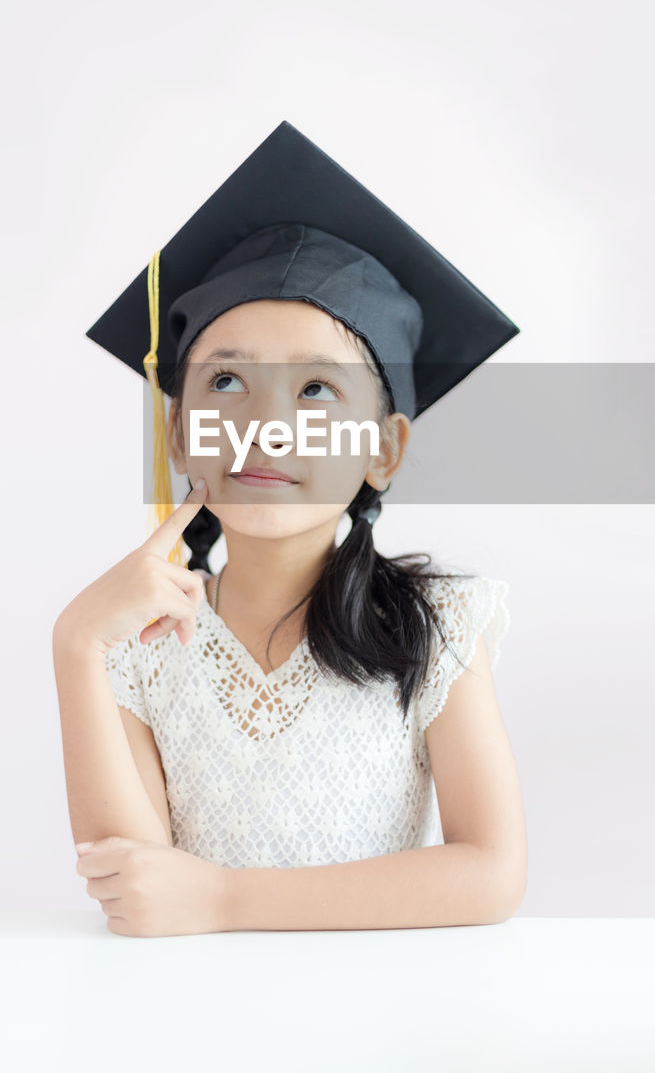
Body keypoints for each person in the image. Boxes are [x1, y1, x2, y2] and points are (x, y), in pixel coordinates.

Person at [53, 120, 527, 938]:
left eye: (316, 390)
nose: (266, 428)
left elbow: (489, 871)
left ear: (384, 449)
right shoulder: (140, 640)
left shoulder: (437, 626)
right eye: (228, 379)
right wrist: (76, 645)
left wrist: (227, 902)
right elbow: (140, 891)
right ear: (178, 432)